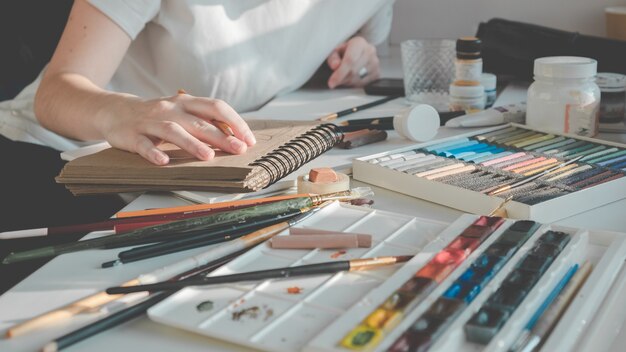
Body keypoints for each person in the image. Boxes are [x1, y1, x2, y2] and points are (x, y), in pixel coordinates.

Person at [0, 0, 392, 292]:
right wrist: (126, 112)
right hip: (53, 154)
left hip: (195, 180)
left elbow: (352, 44)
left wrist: (358, 57)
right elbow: (55, 92)